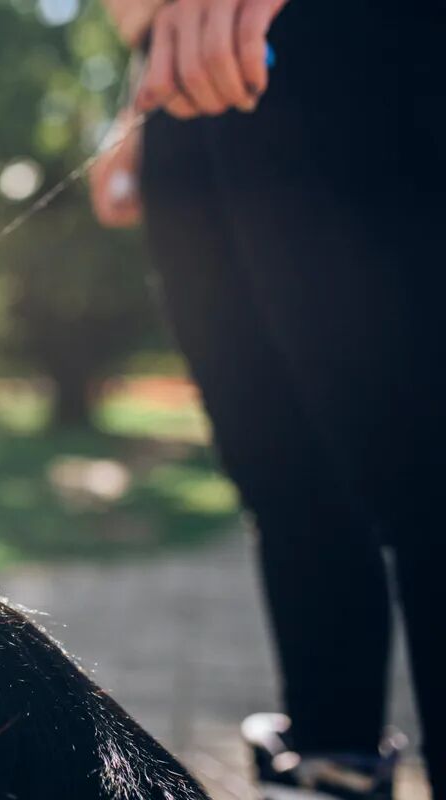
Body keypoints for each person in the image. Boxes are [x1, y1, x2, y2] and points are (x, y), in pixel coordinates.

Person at [88, 0, 446, 797]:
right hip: (192, 82)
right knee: (286, 485)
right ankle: (331, 761)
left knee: (429, 480)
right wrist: (154, 81)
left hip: (342, 40)